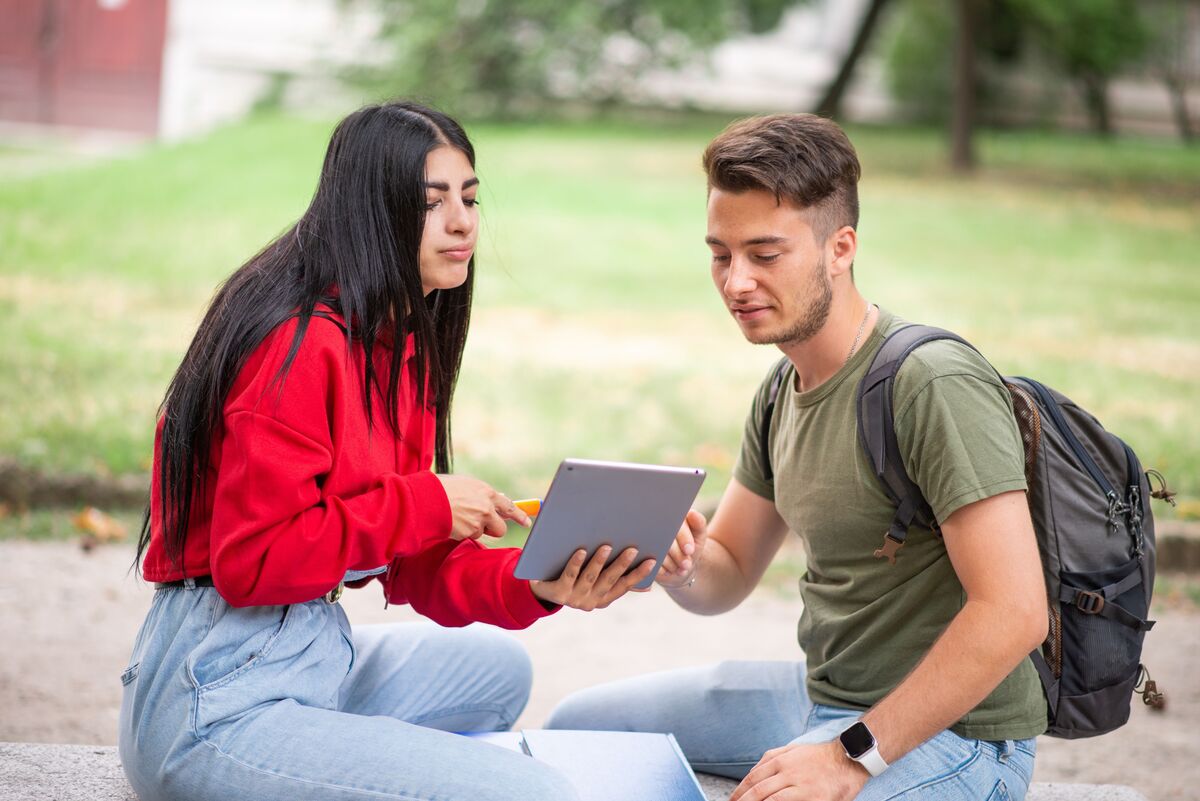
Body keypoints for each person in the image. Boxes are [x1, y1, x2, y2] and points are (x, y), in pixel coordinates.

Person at [118, 100, 653, 801]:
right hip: (215, 694)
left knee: (499, 669)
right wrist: (427, 500)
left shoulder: (398, 341)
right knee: (537, 793)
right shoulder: (300, 342)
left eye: (469, 197)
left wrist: (540, 581)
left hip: (309, 654)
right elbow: (253, 564)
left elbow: (408, 561)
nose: (463, 222)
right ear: (372, 212)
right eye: (433, 204)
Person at [546, 113, 1049, 801]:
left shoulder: (932, 382)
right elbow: (725, 574)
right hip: (820, 696)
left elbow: (1015, 611)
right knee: (578, 727)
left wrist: (847, 758)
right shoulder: (783, 387)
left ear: (840, 247)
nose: (736, 281)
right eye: (721, 254)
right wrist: (676, 559)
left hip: (960, 737)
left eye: (765, 253)